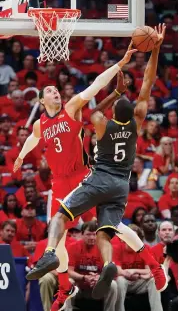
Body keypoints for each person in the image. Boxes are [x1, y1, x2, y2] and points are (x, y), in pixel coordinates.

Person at [26, 24, 168, 299]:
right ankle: (130, 266)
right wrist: (157, 48)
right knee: (108, 231)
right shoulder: (138, 121)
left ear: (113, 113)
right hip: (121, 186)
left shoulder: (102, 125)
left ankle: (51, 254)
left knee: (60, 215)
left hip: (96, 178)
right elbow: (148, 84)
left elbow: (90, 112)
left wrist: (113, 93)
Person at [13, 48, 135, 311]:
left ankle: (134, 257)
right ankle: (64, 286)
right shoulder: (40, 125)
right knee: (56, 235)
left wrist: (120, 64)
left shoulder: (72, 108)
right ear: (42, 102)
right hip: (58, 182)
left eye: (56, 89)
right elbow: (34, 138)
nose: (55, 91)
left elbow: (95, 85)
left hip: (82, 177)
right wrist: (22, 156)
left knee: (99, 223)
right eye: (49, 91)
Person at [114, 224, 163, 311]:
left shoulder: (145, 248)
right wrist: (129, 273)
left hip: (139, 282)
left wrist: (134, 271)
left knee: (154, 280)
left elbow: (149, 270)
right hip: (125, 281)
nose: (131, 240)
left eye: (134, 238)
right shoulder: (116, 248)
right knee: (120, 280)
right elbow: (118, 270)